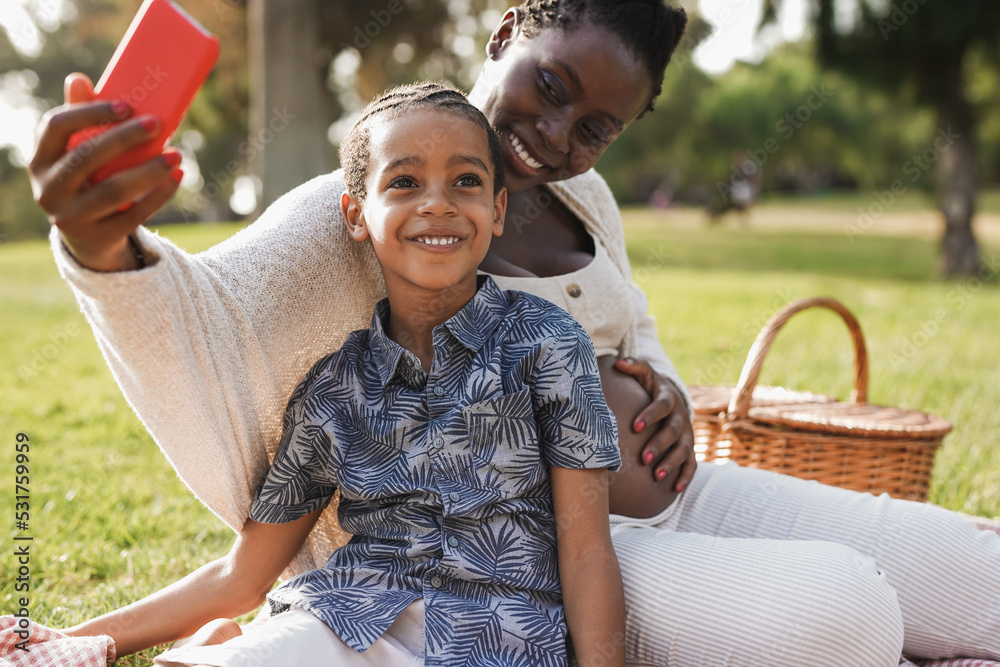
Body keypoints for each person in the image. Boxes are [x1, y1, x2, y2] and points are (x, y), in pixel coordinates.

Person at [30, 0, 1000, 664]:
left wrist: (661, 393)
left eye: (595, 126)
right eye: (549, 88)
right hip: (552, 550)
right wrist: (97, 242)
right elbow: (205, 316)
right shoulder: (369, 210)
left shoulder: (581, 194)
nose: (557, 135)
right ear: (501, 36)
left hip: (686, 498)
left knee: (981, 571)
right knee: (849, 609)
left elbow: (637, 341)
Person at [65, 82, 626, 667]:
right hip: (345, 625)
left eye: (466, 181)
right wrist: (68, 640)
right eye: (404, 182)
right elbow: (244, 574)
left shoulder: (549, 342)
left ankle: (220, 646)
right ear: (357, 215)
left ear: (498, 210)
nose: (438, 203)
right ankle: (220, 649)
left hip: (503, 640)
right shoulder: (334, 391)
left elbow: (586, 551)